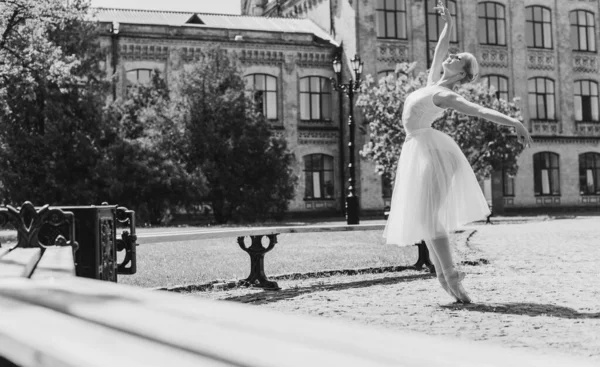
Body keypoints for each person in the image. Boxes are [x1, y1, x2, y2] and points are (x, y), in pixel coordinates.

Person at [383, 0, 533, 303]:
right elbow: (440, 49)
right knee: (425, 216)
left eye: (457, 59)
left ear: (462, 75)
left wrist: (513, 121)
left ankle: (449, 273)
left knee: (429, 215)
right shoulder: (431, 84)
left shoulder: (444, 94)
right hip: (421, 148)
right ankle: (443, 274)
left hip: (435, 152)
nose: (450, 56)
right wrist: (448, 22)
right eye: (453, 54)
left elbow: (478, 110)